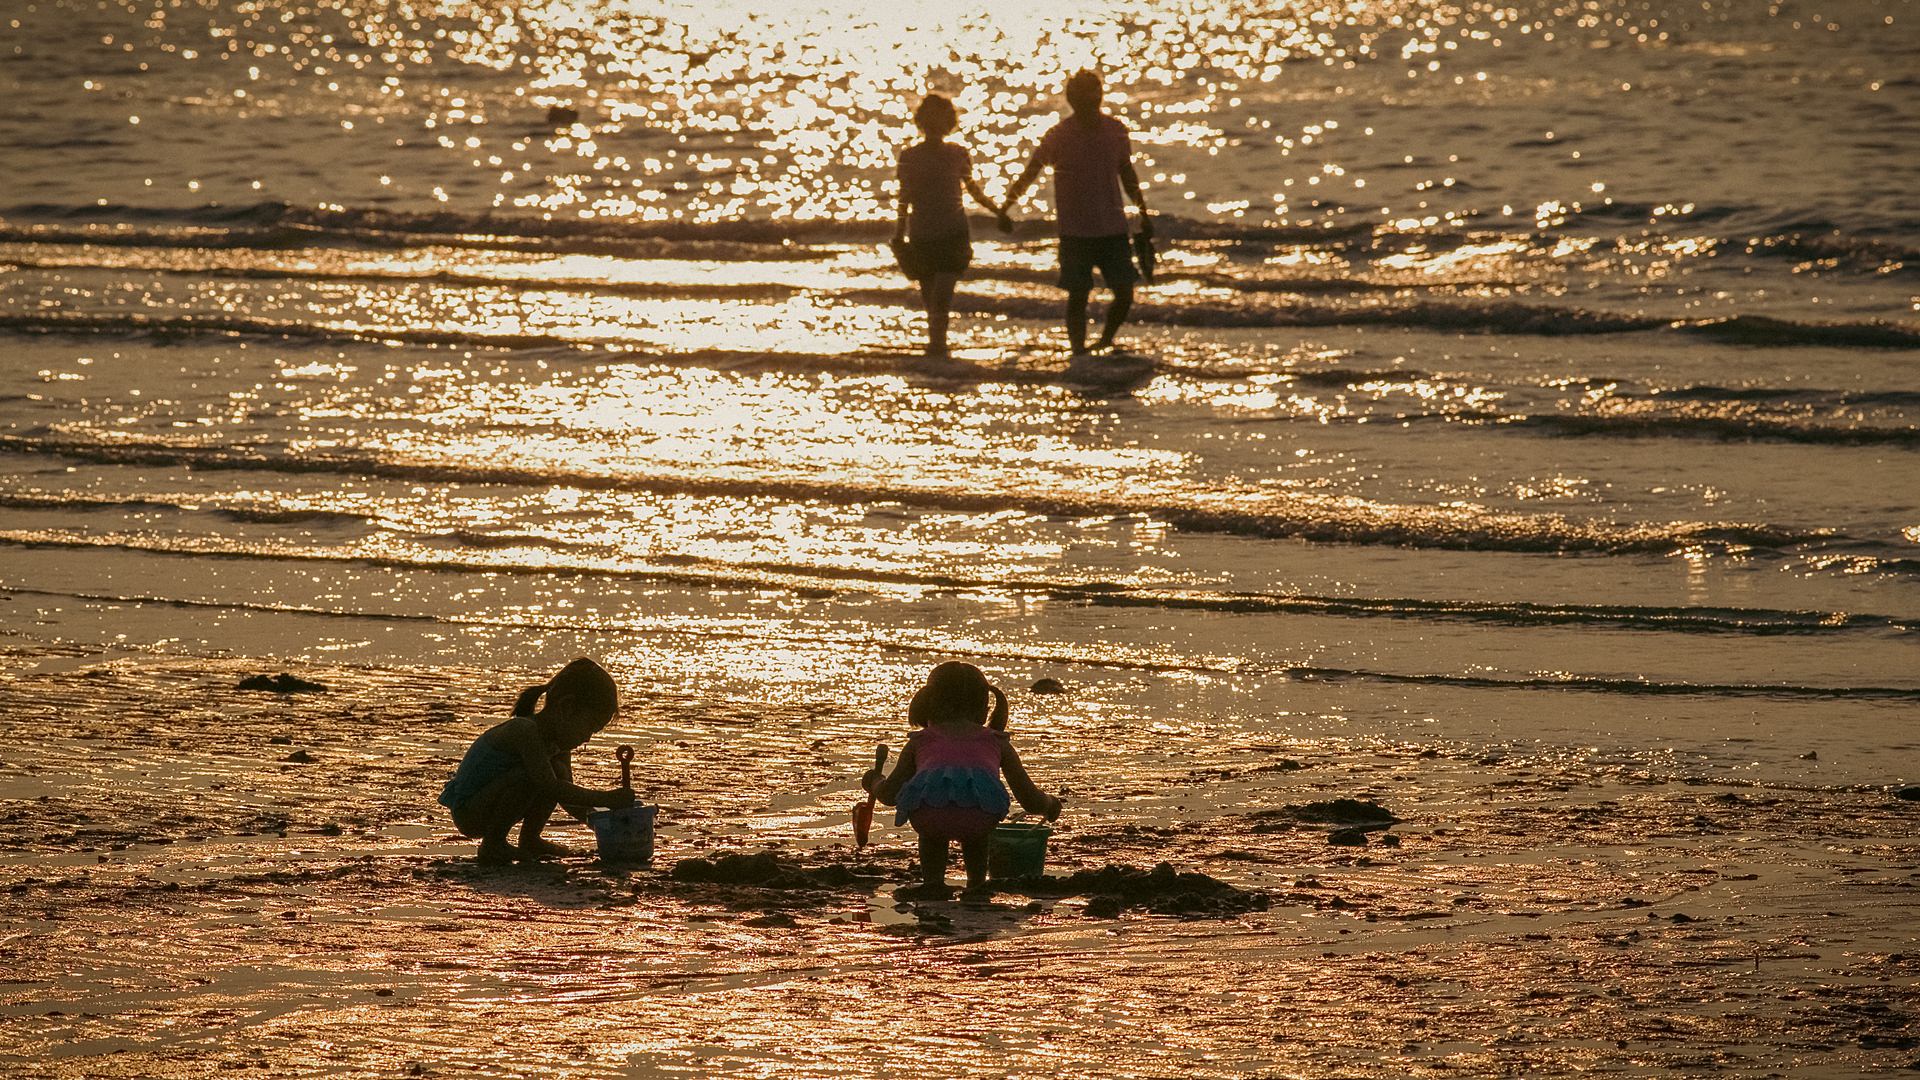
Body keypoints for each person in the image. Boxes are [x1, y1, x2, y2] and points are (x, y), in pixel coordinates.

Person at [863, 662, 1062, 898]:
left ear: (928, 703)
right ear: (984, 708)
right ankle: (976, 885)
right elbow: (1029, 799)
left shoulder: (919, 742)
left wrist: (874, 781)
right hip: (980, 820)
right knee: (976, 828)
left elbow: (889, 795)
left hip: (930, 819)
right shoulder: (997, 742)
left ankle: (933, 883)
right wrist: (1050, 804)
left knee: (933, 827)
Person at [1002, 69, 1152, 355]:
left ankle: (1106, 339)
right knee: (1078, 295)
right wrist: (1007, 205)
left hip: (1113, 228)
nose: (1088, 101)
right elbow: (1032, 171)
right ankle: (1078, 351)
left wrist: (1143, 212)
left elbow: (1127, 173)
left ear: (1100, 97)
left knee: (1124, 292)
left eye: (1093, 95)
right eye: (1081, 96)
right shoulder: (1059, 135)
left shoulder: (1116, 130)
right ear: (1071, 99)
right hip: (1075, 232)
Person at [438, 657, 635, 864]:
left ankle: (530, 839)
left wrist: (605, 823)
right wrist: (607, 799)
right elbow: (551, 787)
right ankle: (493, 844)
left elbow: (567, 794)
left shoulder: (558, 744)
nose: (587, 738)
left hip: (492, 801)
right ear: (567, 708)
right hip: (470, 811)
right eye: (590, 727)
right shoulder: (525, 731)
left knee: (556, 772)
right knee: (532, 777)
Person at [892, 92, 1012, 357]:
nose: (935, 126)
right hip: (922, 234)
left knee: (941, 296)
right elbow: (904, 197)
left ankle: (937, 348)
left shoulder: (958, 153)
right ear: (921, 122)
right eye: (930, 120)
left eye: (941, 120)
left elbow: (973, 190)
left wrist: (998, 212)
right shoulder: (909, 156)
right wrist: (899, 233)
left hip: (953, 234)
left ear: (948, 123)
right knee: (931, 299)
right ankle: (938, 349)